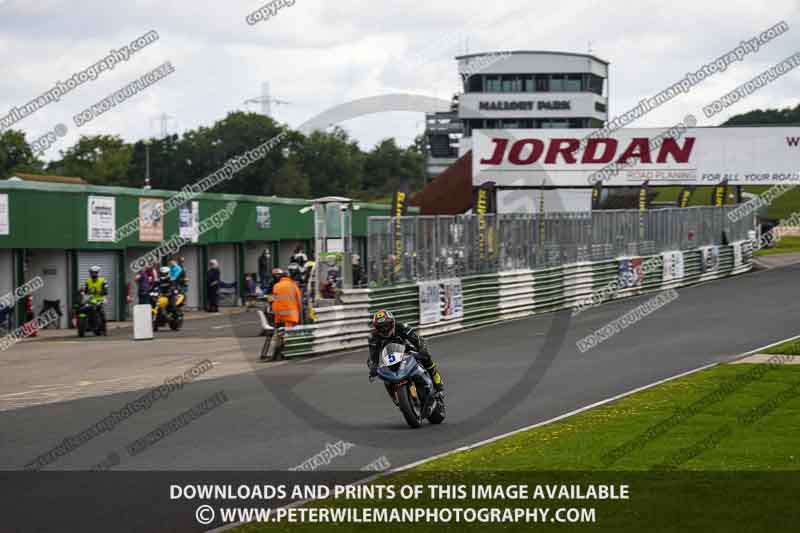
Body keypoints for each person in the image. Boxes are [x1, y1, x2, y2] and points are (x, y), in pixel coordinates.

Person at [367, 309, 443, 392]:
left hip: (407, 351)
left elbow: (418, 340)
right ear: (376, 328)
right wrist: (373, 368)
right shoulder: (373, 337)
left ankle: (438, 385)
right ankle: (395, 394)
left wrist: (422, 349)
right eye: (380, 328)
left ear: (392, 323)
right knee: (385, 377)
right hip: (389, 358)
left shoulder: (401, 327)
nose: (384, 330)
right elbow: (373, 356)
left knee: (426, 359)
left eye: (386, 326)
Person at [261, 267, 303, 361]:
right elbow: (299, 301)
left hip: (279, 315)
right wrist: (300, 315)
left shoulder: (276, 286)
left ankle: (277, 354)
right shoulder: (293, 285)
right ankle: (285, 354)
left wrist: (272, 309)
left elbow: (271, 299)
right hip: (291, 316)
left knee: (279, 335)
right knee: (288, 335)